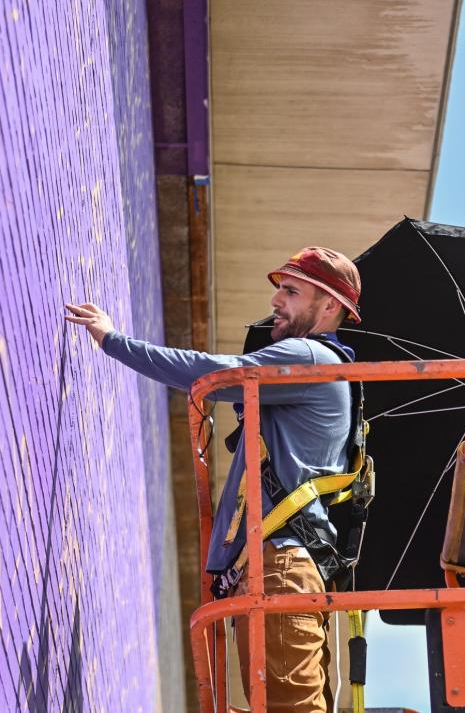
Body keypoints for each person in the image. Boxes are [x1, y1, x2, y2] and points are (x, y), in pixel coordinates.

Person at [64, 246, 363, 712]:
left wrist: (112, 340)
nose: (275, 302)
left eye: (291, 291)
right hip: (280, 568)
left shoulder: (309, 355)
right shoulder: (325, 369)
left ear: (330, 307)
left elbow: (214, 374)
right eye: (278, 289)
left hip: (281, 566)